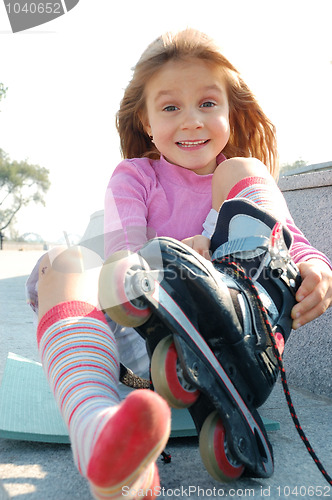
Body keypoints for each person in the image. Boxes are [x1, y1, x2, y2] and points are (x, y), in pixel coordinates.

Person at [32, 28, 332, 499]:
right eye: (170, 108)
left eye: (208, 104)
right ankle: (100, 432)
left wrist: (314, 267)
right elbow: (124, 263)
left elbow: (289, 239)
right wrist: (181, 254)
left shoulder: (241, 181)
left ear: (231, 113)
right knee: (64, 262)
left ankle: (242, 319)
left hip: (232, 330)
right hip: (139, 339)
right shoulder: (135, 177)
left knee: (243, 172)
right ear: (147, 122)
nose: (191, 121)